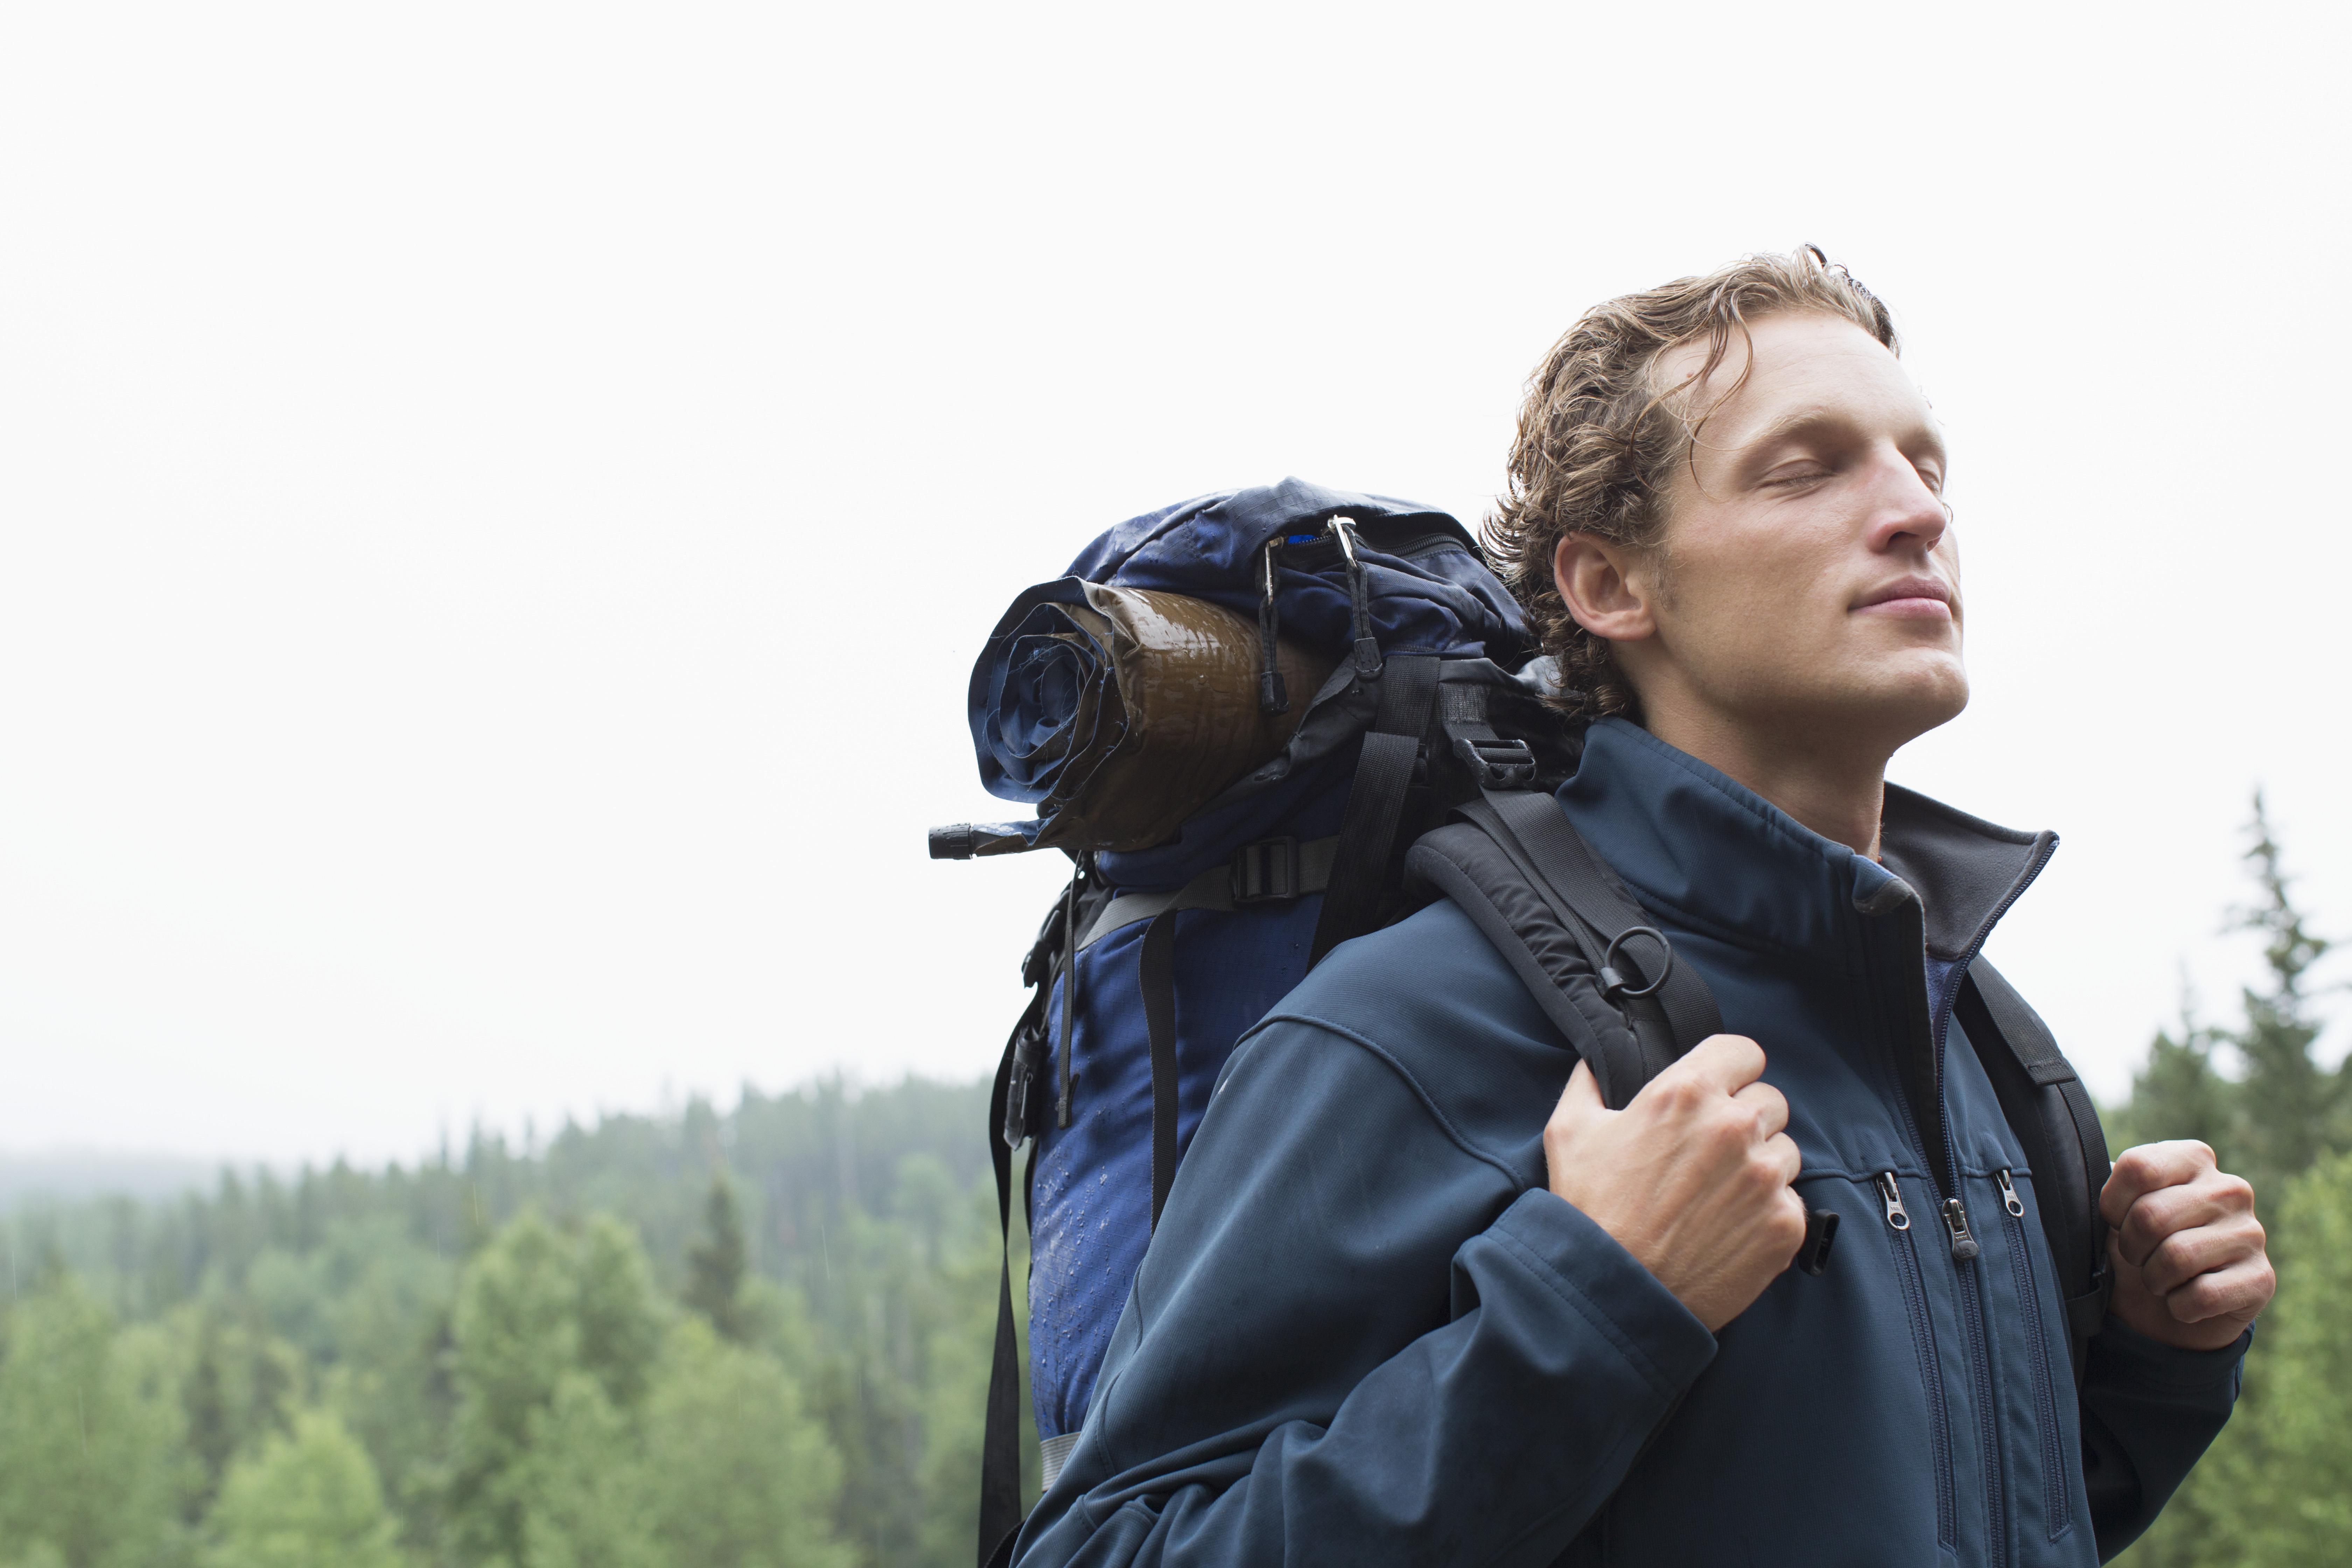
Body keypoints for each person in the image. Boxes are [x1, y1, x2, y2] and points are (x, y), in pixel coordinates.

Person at [1008, 250, 2274, 1567]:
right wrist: (1597, 1306)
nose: (1915, 512)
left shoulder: (1978, 1042)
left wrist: (2157, 1365)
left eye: (1927, 464)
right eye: (1808, 466)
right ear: (1610, 588)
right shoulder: (1415, 1027)